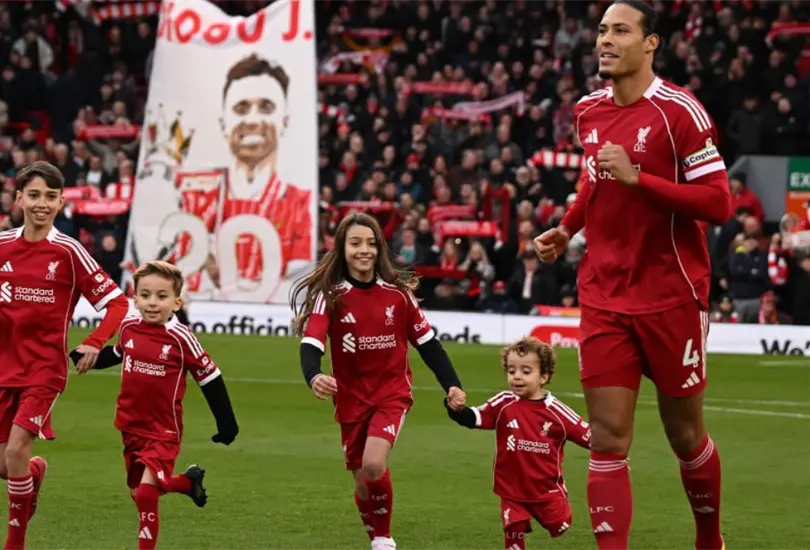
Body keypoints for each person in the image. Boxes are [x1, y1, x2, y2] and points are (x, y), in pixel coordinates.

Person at [534, 1, 731, 549]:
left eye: (621, 30)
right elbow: (595, 179)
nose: (606, 40)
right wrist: (568, 227)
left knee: (685, 435)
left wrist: (640, 178)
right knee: (607, 440)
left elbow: (719, 204)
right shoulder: (588, 111)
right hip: (604, 295)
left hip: (672, 296)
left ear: (651, 44)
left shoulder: (680, 112)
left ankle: (709, 540)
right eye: (602, 30)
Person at [290, 212, 467, 550]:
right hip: (351, 400)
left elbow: (428, 344)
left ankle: (384, 539)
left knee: (373, 463)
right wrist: (313, 375)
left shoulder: (398, 295)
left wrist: (452, 384)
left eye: (371, 243)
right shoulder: (332, 296)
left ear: (380, 249)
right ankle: (375, 536)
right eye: (355, 243)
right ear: (342, 248)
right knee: (361, 482)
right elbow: (312, 341)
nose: (364, 250)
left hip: (391, 394)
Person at [0, 161, 129, 550]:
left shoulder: (70, 252)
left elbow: (119, 304)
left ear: (60, 204)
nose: (42, 204)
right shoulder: (2, 245)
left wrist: (94, 341)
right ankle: (33, 475)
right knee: (9, 466)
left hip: (44, 369)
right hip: (3, 368)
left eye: (51, 197)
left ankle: (15, 543)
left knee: (16, 447)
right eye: (34, 195)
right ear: (18, 198)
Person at [70, 260, 239, 550]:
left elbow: (209, 377)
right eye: (145, 295)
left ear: (176, 302)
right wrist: (89, 358)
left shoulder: (181, 338)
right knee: (138, 492)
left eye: (161, 297)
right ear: (135, 298)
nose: (152, 303)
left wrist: (226, 423)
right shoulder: (129, 328)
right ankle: (187, 483)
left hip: (163, 429)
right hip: (130, 424)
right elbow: (120, 353)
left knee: (147, 494)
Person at [444, 337, 590, 550]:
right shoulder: (503, 402)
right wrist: (456, 410)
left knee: (560, 524)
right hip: (511, 487)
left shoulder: (557, 411)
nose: (517, 377)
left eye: (526, 371)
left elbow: (587, 435)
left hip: (545, 487)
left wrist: (614, 453)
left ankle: (558, 503)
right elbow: (475, 417)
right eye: (512, 371)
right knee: (513, 530)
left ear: (544, 376)